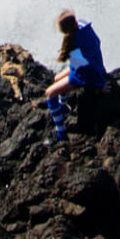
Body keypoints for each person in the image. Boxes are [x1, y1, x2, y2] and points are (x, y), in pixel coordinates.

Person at [44, 9, 107, 142]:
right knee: (56, 78)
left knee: (50, 93)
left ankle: (60, 133)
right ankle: (64, 107)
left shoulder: (75, 42)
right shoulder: (85, 26)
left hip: (87, 74)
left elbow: (81, 69)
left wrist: (98, 85)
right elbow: (81, 61)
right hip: (96, 65)